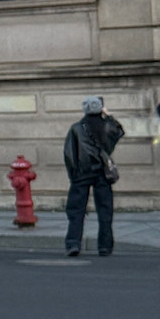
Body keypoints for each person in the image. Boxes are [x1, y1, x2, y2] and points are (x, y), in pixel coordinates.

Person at [63, 95, 125, 257]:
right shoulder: (107, 127)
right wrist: (108, 115)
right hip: (102, 173)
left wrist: (73, 175)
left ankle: (73, 243)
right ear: (100, 109)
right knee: (105, 211)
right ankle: (105, 246)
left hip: (81, 173)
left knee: (76, 211)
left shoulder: (76, 128)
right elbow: (119, 131)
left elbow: (69, 154)